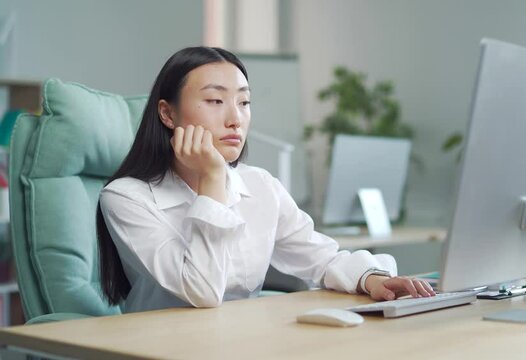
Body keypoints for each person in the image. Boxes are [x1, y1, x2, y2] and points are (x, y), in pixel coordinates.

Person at [96, 46, 435, 313]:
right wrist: (212, 178)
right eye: (215, 101)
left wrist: (372, 279)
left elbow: (321, 258)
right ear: (168, 114)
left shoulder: (260, 185)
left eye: (244, 102)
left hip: (245, 340)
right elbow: (201, 291)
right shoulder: (126, 197)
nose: (235, 119)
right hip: (159, 348)